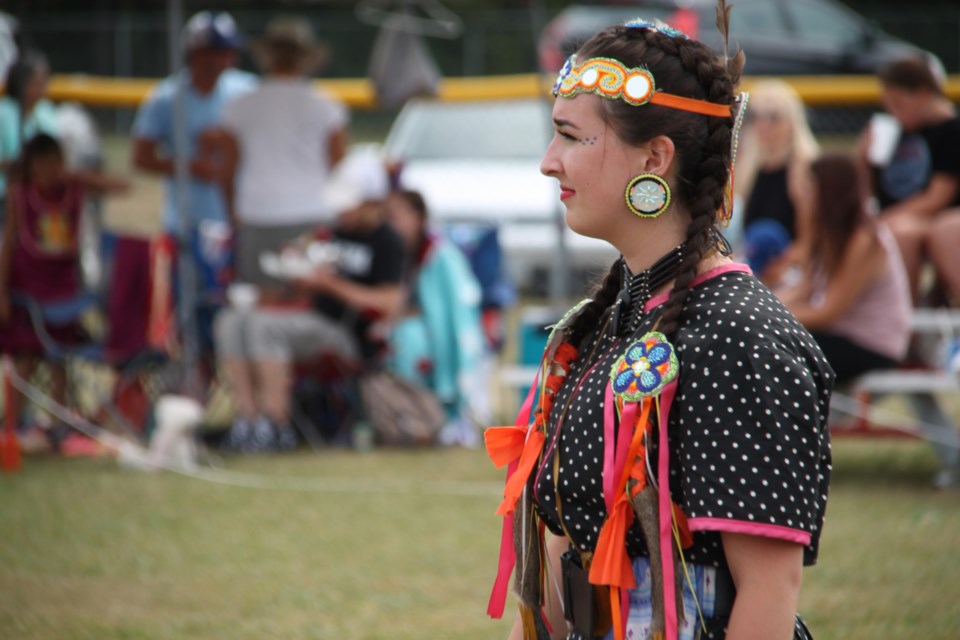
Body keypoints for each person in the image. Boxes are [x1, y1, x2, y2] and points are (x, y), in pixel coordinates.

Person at [484, 13, 833, 640]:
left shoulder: (739, 337)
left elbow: (767, 592)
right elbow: (572, 551)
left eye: (569, 136)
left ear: (655, 156)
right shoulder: (606, 321)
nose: (547, 162)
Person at [214, 150, 406, 453]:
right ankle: (248, 420)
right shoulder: (334, 231)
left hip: (349, 335)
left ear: (371, 202)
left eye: (349, 207)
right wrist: (298, 268)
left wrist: (330, 284)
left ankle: (275, 424)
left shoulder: (387, 241)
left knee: (265, 327)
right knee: (233, 321)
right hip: (313, 321)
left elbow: (389, 304)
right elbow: (310, 268)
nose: (342, 214)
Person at [131, 11, 256, 357]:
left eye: (229, 51)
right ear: (195, 53)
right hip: (187, 224)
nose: (226, 60)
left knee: (239, 312)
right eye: (217, 51)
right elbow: (139, 156)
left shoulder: (245, 90)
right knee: (189, 316)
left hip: (237, 222)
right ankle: (194, 385)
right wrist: (187, 167)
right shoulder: (167, 97)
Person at [0, 133, 127, 449]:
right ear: (31, 167)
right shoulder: (20, 195)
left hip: (63, 291)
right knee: (26, 357)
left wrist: (78, 175)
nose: (50, 171)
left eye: (55, 163)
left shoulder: (72, 189)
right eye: (42, 165)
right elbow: (8, 245)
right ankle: (12, 425)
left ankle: (59, 425)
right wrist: (1, 293)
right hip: (27, 290)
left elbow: (122, 186)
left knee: (60, 360)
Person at [221, 15, 349, 287]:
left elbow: (227, 170)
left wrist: (232, 212)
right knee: (307, 303)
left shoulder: (239, 105)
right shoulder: (327, 105)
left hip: (258, 214)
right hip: (312, 214)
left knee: (261, 297)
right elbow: (340, 170)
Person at [778, 154, 911, 384]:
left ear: (828, 192)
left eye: (809, 188)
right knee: (767, 343)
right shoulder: (823, 233)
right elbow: (803, 291)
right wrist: (763, 307)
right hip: (838, 335)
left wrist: (768, 316)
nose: (800, 195)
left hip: (871, 344)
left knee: (773, 350)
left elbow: (829, 312)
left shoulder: (865, 239)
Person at [384, 189, 487, 447]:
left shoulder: (441, 255)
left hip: (444, 338)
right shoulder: (403, 256)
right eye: (387, 217)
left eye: (396, 216)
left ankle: (451, 419)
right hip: (420, 338)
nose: (391, 224)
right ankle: (418, 420)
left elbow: (460, 308)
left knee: (410, 338)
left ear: (418, 217)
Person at [860, 56, 960, 302]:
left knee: (901, 233)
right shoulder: (893, 132)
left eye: (899, 103)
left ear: (923, 94)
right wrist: (863, 158)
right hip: (899, 215)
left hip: (938, 217)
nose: (893, 112)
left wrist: (885, 219)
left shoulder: (950, 131)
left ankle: (910, 322)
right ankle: (903, 326)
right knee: (890, 231)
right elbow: (867, 192)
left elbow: (937, 198)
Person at [734, 79, 818, 281]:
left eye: (773, 117)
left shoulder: (804, 166)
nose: (763, 125)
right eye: (756, 116)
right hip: (755, 263)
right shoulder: (750, 166)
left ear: (791, 120)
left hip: (793, 270)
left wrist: (780, 265)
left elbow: (811, 240)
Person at [0, 49, 59, 214]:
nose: (44, 86)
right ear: (23, 83)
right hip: (6, 197)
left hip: (39, 196)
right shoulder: (4, 113)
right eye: (39, 81)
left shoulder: (46, 112)